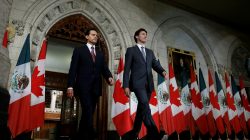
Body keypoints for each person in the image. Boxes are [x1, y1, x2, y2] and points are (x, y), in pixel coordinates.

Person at [67, 28, 114, 140]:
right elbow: (73, 69)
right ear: (87, 36)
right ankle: (92, 134)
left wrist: (109, 77)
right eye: (93, 35)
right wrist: (70, 85)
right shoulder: (79, 50)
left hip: (96, 87)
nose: (95, 37)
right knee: (87, 108)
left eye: (96, 35)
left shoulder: (100, 54)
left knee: (89, 112)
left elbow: (104, 68)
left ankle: (80, 136)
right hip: (83, 86)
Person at [123, 28, 168, 140]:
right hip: (137, 84)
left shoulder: (150, 52)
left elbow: (155, 64)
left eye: (146, 35)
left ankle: (133, 133)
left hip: (149, 84)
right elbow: (127, 69)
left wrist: (162, 71)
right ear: (137, 36)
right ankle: (154, 132)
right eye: (143, 34)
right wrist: (126, 85)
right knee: (144, 105)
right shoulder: (131, 50)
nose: (145, 36)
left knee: (142, 109)